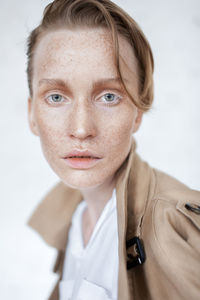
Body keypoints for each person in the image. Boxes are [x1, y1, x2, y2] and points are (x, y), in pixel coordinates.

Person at [26, 0, 200, 299]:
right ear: (31, 114)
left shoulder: (174, 227)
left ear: (138, 111)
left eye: (108, 96)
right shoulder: (74, 219)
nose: (81, 129)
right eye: (56, 97)